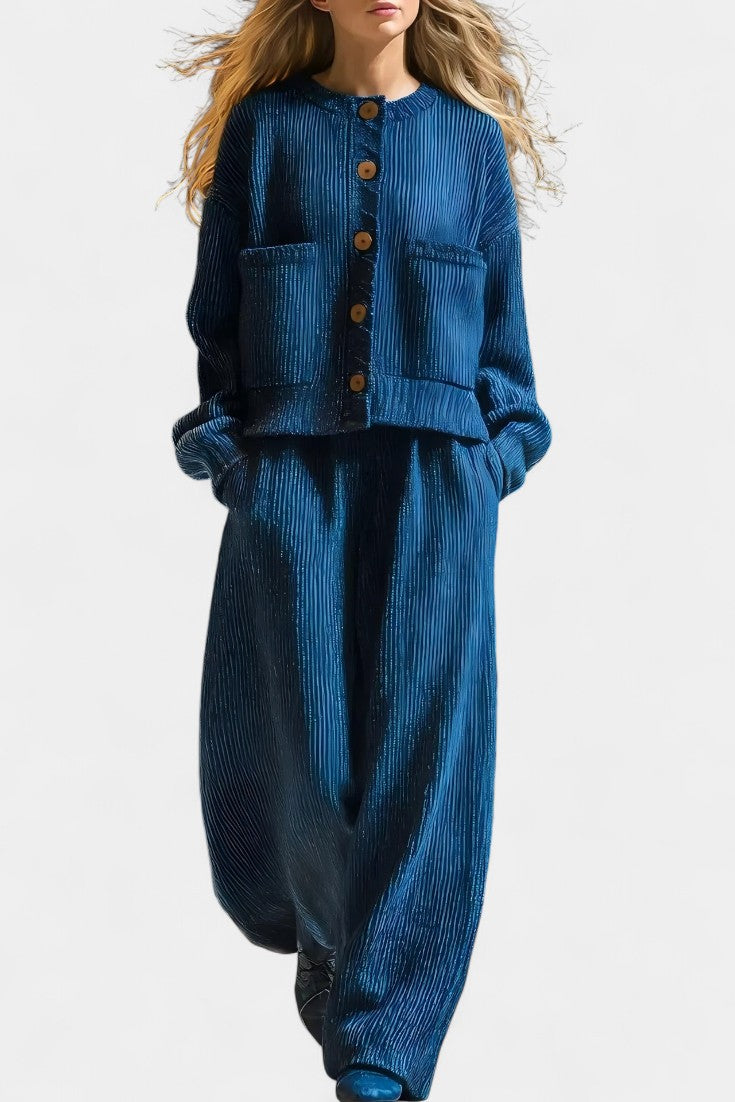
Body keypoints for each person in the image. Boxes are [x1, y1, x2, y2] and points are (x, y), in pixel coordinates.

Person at [162, 1, 561, 1097]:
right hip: (292, 479)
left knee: (423, 761)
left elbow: (507, 352)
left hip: (441, 486)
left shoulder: (469, 144)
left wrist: (492, 462)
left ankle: (382, 1048)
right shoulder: (266, 131)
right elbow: (215, 324)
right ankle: (331, 934)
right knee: (311, 750)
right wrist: (237, 460)